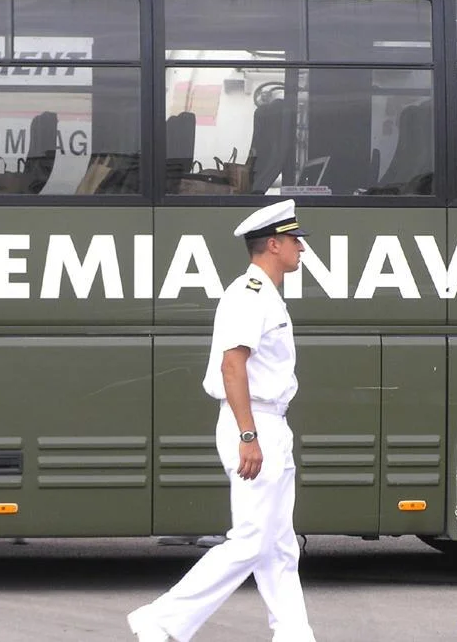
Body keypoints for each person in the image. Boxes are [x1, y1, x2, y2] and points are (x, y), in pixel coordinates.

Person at [128, 199, 317, 642]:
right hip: (253, 425)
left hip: (270, 424)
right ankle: (161, 620)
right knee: (250, 541)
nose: (301, 249)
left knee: (280, 545)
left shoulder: (263, 293)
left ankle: (293, 635)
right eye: (294, 240)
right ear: (273, 244)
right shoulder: (249, 294)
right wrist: (248, 435)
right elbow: (233, 366)